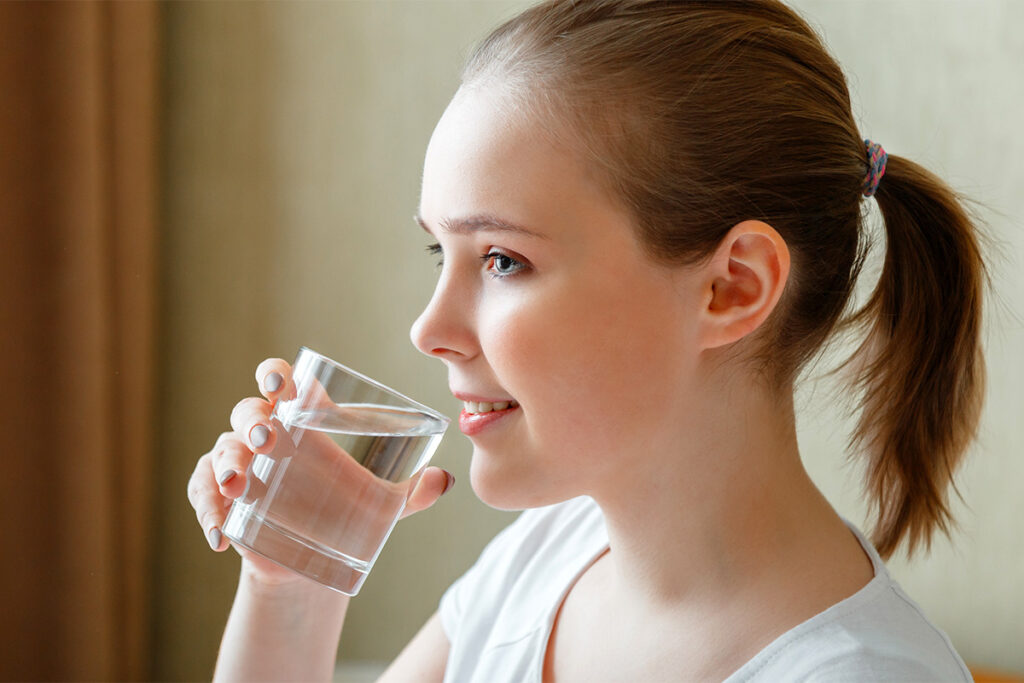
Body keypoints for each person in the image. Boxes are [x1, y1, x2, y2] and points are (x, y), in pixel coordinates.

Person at [187, 0, 988, 680]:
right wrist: (293, 586)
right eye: (443, 251)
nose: (427, 329)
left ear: (732, 286)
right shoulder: (539, 564)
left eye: (502, 259)